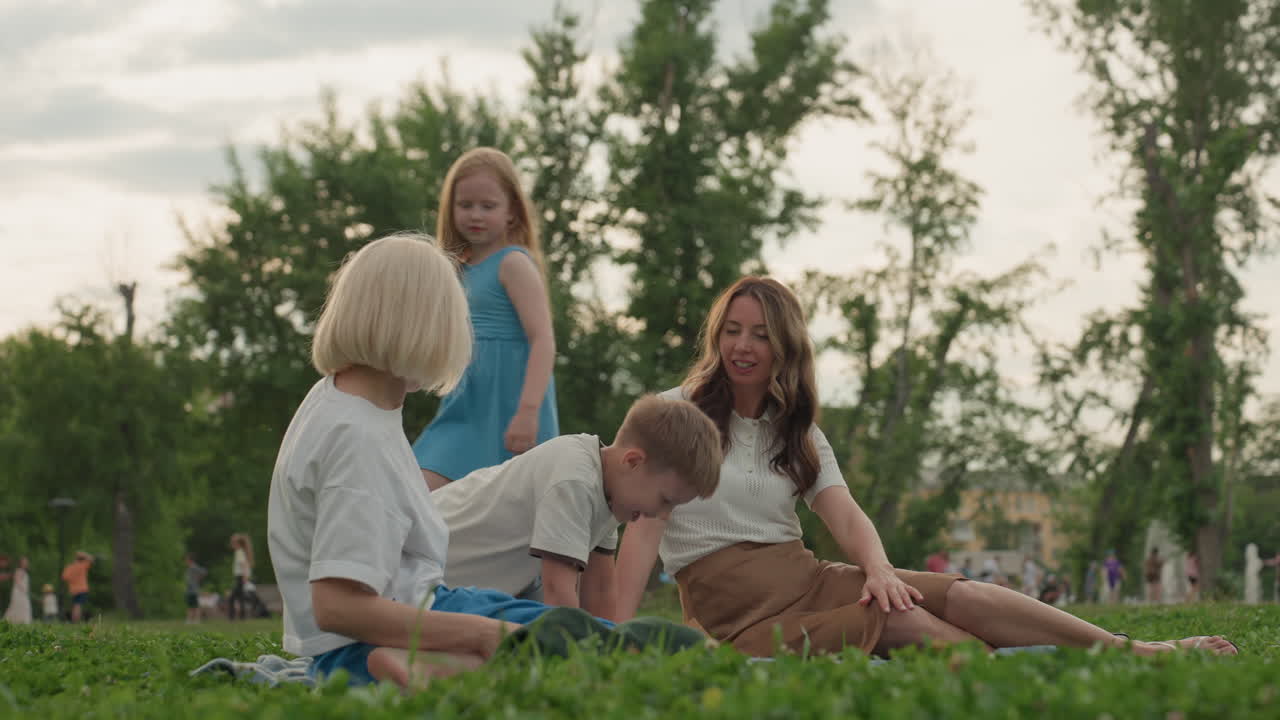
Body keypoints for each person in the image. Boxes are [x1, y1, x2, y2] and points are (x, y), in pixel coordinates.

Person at [613, 276, 1238, 658]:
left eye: (759, 334)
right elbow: (640, 531)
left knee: (956, 593)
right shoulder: (672, 414)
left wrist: (879, 569)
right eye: (732, 331)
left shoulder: (796, 431)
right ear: (717, 336)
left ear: (785, 345)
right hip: (736, 611)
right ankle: (1042, 672)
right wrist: (612, 635)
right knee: (903, 621)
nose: (742, 346)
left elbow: (846, 515)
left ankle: (1135, 650)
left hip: (805, 577)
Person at [267, 232, 700, 691]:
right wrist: (488, 634)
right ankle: (435, 665)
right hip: (360, 646)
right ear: (425, 325)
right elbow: (337, 607)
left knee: (585, 637)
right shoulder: (355, 439)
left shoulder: (343, 403)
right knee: (633, 651)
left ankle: (441, 667)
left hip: (417, 612)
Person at [434, 395, 722, 615]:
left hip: (461, 589)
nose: (662, 514)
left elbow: (598, 590)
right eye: (665, 500)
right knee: (521, 634)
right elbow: (559, 594)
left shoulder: (609, 489)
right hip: (428, 576)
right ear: (633, 462)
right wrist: (583, 667)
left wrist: (609, 651)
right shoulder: (575, 481)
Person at [412, 147, 558, 491]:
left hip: (509, 405)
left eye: (488, 206)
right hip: (465, 404)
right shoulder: (458, 267)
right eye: (465, 205)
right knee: (416, 487)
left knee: (507, 512)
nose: (475, 215)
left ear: (511, 212)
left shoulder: (513, 263)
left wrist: (528, 412)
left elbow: (543, 339)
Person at [227, 533, 254, 620]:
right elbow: (245, 564)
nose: (231, 545)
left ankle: (232, 617)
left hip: (240, 577)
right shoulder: (242, 551)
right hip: (241, 576)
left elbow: (243, 565)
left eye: (233, 543)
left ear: (237, 544)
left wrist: (244, 576)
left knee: (232, 598)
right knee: (240, 597)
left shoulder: (239, 552)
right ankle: (242, 617)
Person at [61, 551, 93, 622]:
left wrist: (72, 580)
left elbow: (64, 577)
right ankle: (75, 620)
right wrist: (85, 554)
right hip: (82, 589)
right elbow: (91, 559)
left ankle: (74, 620)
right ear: (82, 559)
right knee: (78, 605)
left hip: (73, 590)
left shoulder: (70, 567)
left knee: (76, 604)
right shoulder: (83, 565)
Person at [2, 556, 32, 624]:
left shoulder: (25, 572)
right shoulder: (18, 571)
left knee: (25, 606)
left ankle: (24, 622)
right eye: (24, 562)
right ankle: (10, 621)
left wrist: (26, 590)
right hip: (18, 592)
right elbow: (17, 581)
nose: (26, 563)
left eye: (26, 562)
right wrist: (23, 589)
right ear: (21, 563)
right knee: (17, 606)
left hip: (24, 593)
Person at [184, 553, 208, 624]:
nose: (185, 561)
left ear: (190, 560)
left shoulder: (194, 567)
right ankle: (190, 620)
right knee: (190, 605)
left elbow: (204, 571)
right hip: (189, 589)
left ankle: (197, 620)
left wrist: (198, 579)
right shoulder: (189, 568)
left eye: (187, 560)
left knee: (195, 605)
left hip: (194, 589)